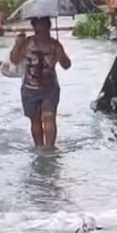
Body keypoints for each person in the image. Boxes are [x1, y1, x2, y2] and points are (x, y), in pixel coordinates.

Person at [10, 17, 71, 150]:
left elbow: (66, 65)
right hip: (30, 88)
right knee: (36, 119)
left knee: (47, 117)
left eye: (43, 27)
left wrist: (61, 55)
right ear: (35, 27)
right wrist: (17, 44)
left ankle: (47, 149)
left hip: (48, 88)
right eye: (39, 27)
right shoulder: (27, 43)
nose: (41, 30)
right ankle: (42, 149)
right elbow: (14, 60)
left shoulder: (54, 45)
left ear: (48, 27)